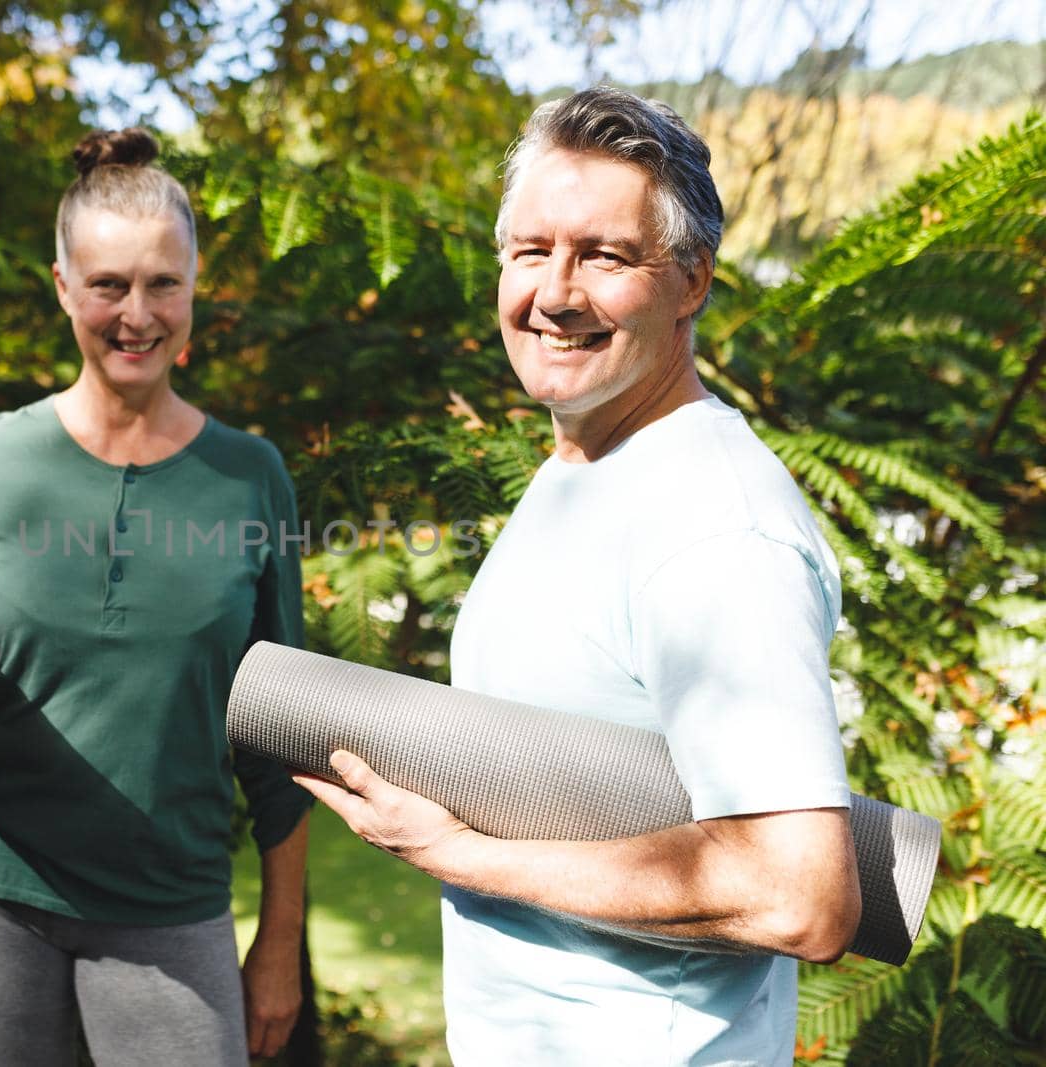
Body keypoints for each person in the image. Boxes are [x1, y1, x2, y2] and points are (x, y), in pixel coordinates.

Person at [296, 87, 861, 1066]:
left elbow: (800, 895)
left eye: (602, 254)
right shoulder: (581, 466)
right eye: (528, 250)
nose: (553, 292)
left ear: (691, 281)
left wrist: (455, 852)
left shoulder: (714, 526)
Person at [0, 127, 312, 1066]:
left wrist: (279, 942)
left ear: (195, 289)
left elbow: (279, 740)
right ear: (62, 288)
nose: (137, 313)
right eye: (108, 285)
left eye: (162, 283)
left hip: (169, 902)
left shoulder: (251, 478)